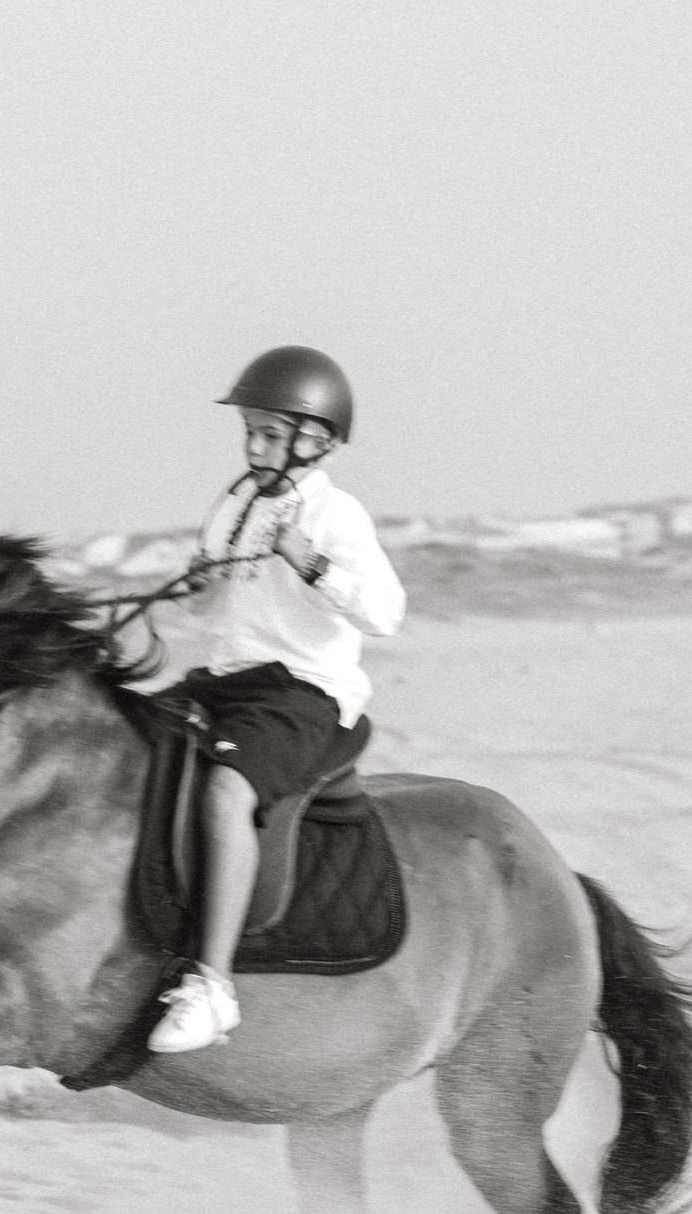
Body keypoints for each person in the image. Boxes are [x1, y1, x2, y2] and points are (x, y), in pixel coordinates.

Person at [147, 345, 407, 1054]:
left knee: (227, 792)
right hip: (229, 680)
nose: (254, 446)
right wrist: (200, 589)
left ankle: (212, 987)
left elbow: (386, 612)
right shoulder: (234, 506)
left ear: (314, 439)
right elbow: (221, 619)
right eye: (250, 432)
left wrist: (311, 562)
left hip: (303, 692)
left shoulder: (337, 515)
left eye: (269, 434)